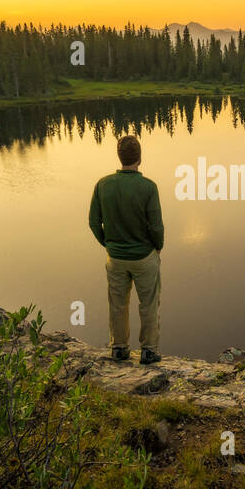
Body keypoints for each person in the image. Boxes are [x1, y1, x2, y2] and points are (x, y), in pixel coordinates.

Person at [88, 135, 163, 364]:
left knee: (118, 304)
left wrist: (109, 244)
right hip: (144, 257)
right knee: (148, 304)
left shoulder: (103, 184)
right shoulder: (148, 187)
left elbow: (93, 222)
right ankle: (148, 351)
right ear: (139, 158)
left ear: (120, 157)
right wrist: (157, 248)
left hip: (116, 258)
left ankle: (119, 348)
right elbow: (156, 227)